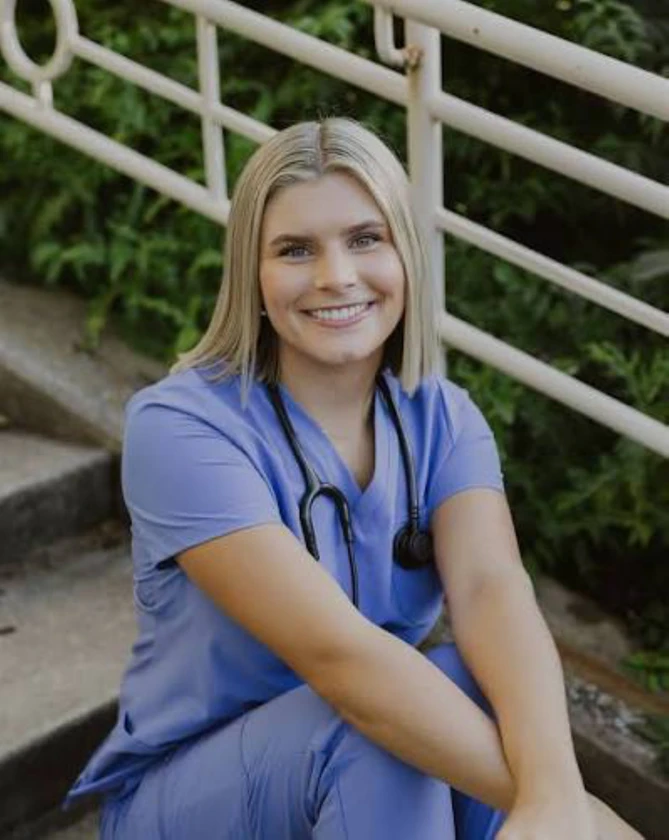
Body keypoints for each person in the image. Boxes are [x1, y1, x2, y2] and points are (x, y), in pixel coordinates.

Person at [65, 118, 641, 839]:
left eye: (366, 239)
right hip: (190, 800)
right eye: (295, 249)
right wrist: (577, 812)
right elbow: (343, 663)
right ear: (251, 273)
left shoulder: (442, 417)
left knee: (477, 682)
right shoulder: (179, 428)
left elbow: (490, 589)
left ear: (406, 254)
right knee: (378, 727)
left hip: (364, 774)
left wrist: (551, 787)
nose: (335, 276)